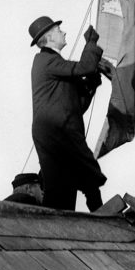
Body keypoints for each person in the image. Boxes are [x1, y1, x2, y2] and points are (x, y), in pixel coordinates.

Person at [29, 15, 107, 212]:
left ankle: (60, 230)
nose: (63, 32)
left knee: (62, 188)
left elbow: (75, 107)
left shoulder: (52, 64)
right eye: (58, 31)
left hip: (52, 131)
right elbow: (85, 66)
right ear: (49, 37)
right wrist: (91, 43)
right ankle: (103, 217)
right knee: (87, 172)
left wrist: (89, 86)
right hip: (58, 130)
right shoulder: (45, 60)